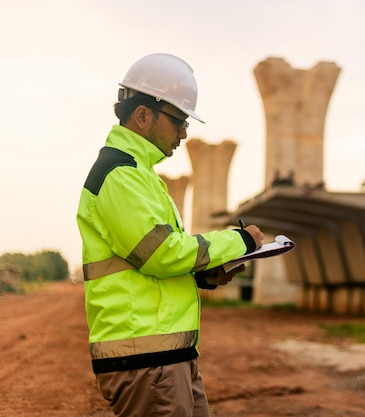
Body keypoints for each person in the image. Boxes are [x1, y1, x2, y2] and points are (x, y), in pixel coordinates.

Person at [76, 53, 264, 417]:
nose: (184, 132)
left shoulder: (140, 175)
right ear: (143, 115)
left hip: (167, 356)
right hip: (148, 361)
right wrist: (238, 241)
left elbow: (148, 263)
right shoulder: (121, 175)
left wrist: (203, 273)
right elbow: (161, 254)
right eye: (178, 120)